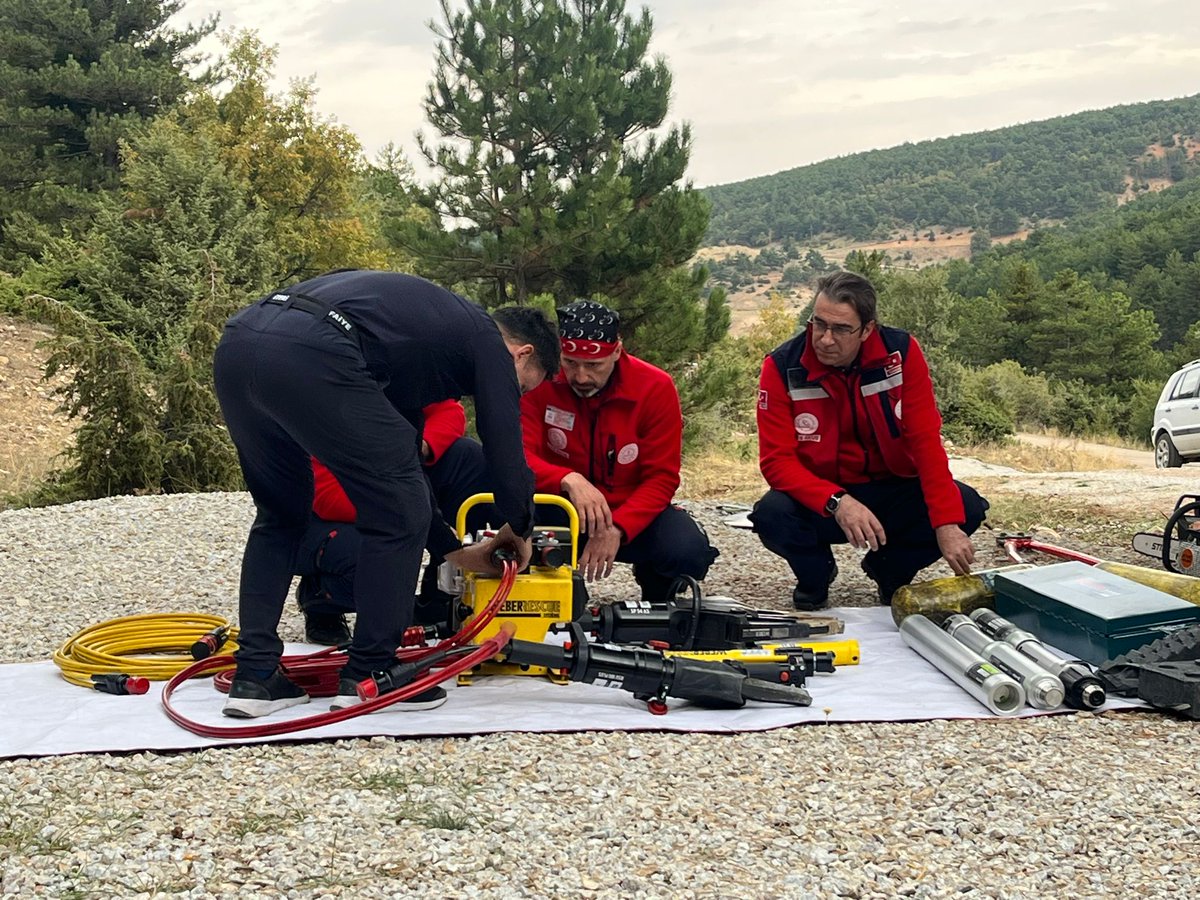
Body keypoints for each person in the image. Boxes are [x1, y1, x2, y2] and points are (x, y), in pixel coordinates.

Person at [213, 270, 560, 717]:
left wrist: (451, 551)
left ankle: (255, 678)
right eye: (525, 385)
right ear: (521, 354)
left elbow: (403, 462)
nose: (517, 393)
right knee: (395, 517)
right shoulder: (486, 340)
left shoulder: (420, 335)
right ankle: (371, 672)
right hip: (315, 350)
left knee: (281, 514)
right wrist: (521, 525)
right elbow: (502, 444)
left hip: (242, 343)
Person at [750, 270, 988, 611]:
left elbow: (925, 442)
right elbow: (777, 462)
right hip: (823, 496)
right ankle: (815, 575)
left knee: (965, 506)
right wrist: (837, 501)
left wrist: (946, 524)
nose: (825, 339)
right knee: (771, 514)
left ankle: (889, 571)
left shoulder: (900, 353)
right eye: (818, 324)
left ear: (867, 330)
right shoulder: (781, 366)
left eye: (841, 329)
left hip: (893, 487)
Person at [520, 299, 717, 601]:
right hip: (558, 506)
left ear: (617, 351)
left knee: (687, 549)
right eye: (570, 363)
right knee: (503, 526)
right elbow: (520, 456)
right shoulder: (540, 382)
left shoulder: (654, 387)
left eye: (594, 365)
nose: (581, 377)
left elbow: (662, 477)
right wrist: (568, 479)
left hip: (629, 511)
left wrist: (618, 528)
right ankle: (555, 596)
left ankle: (658, 598)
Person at [297, 399, 494, 644]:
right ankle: (321, 601)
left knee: (468, 457)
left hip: (392, 478)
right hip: (321, 521)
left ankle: (441, 601)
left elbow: (449, 410)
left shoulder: (397, 371)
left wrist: (419, 447)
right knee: (376, 557)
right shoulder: (325, 394)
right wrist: (414, 514)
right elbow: (328, 498)